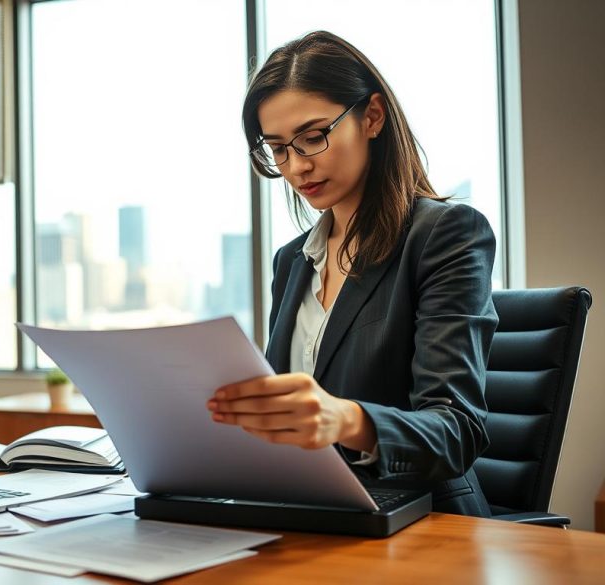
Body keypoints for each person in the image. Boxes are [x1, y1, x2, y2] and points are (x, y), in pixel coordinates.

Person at [206, 30, 496, 516]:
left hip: (420, 519)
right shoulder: (292, 261)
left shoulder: (444, 235)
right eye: (277, 148)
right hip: (311, 511)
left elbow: (458, 430)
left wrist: (347, 420)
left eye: (313, 137)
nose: (296, 167)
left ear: (373, 118)